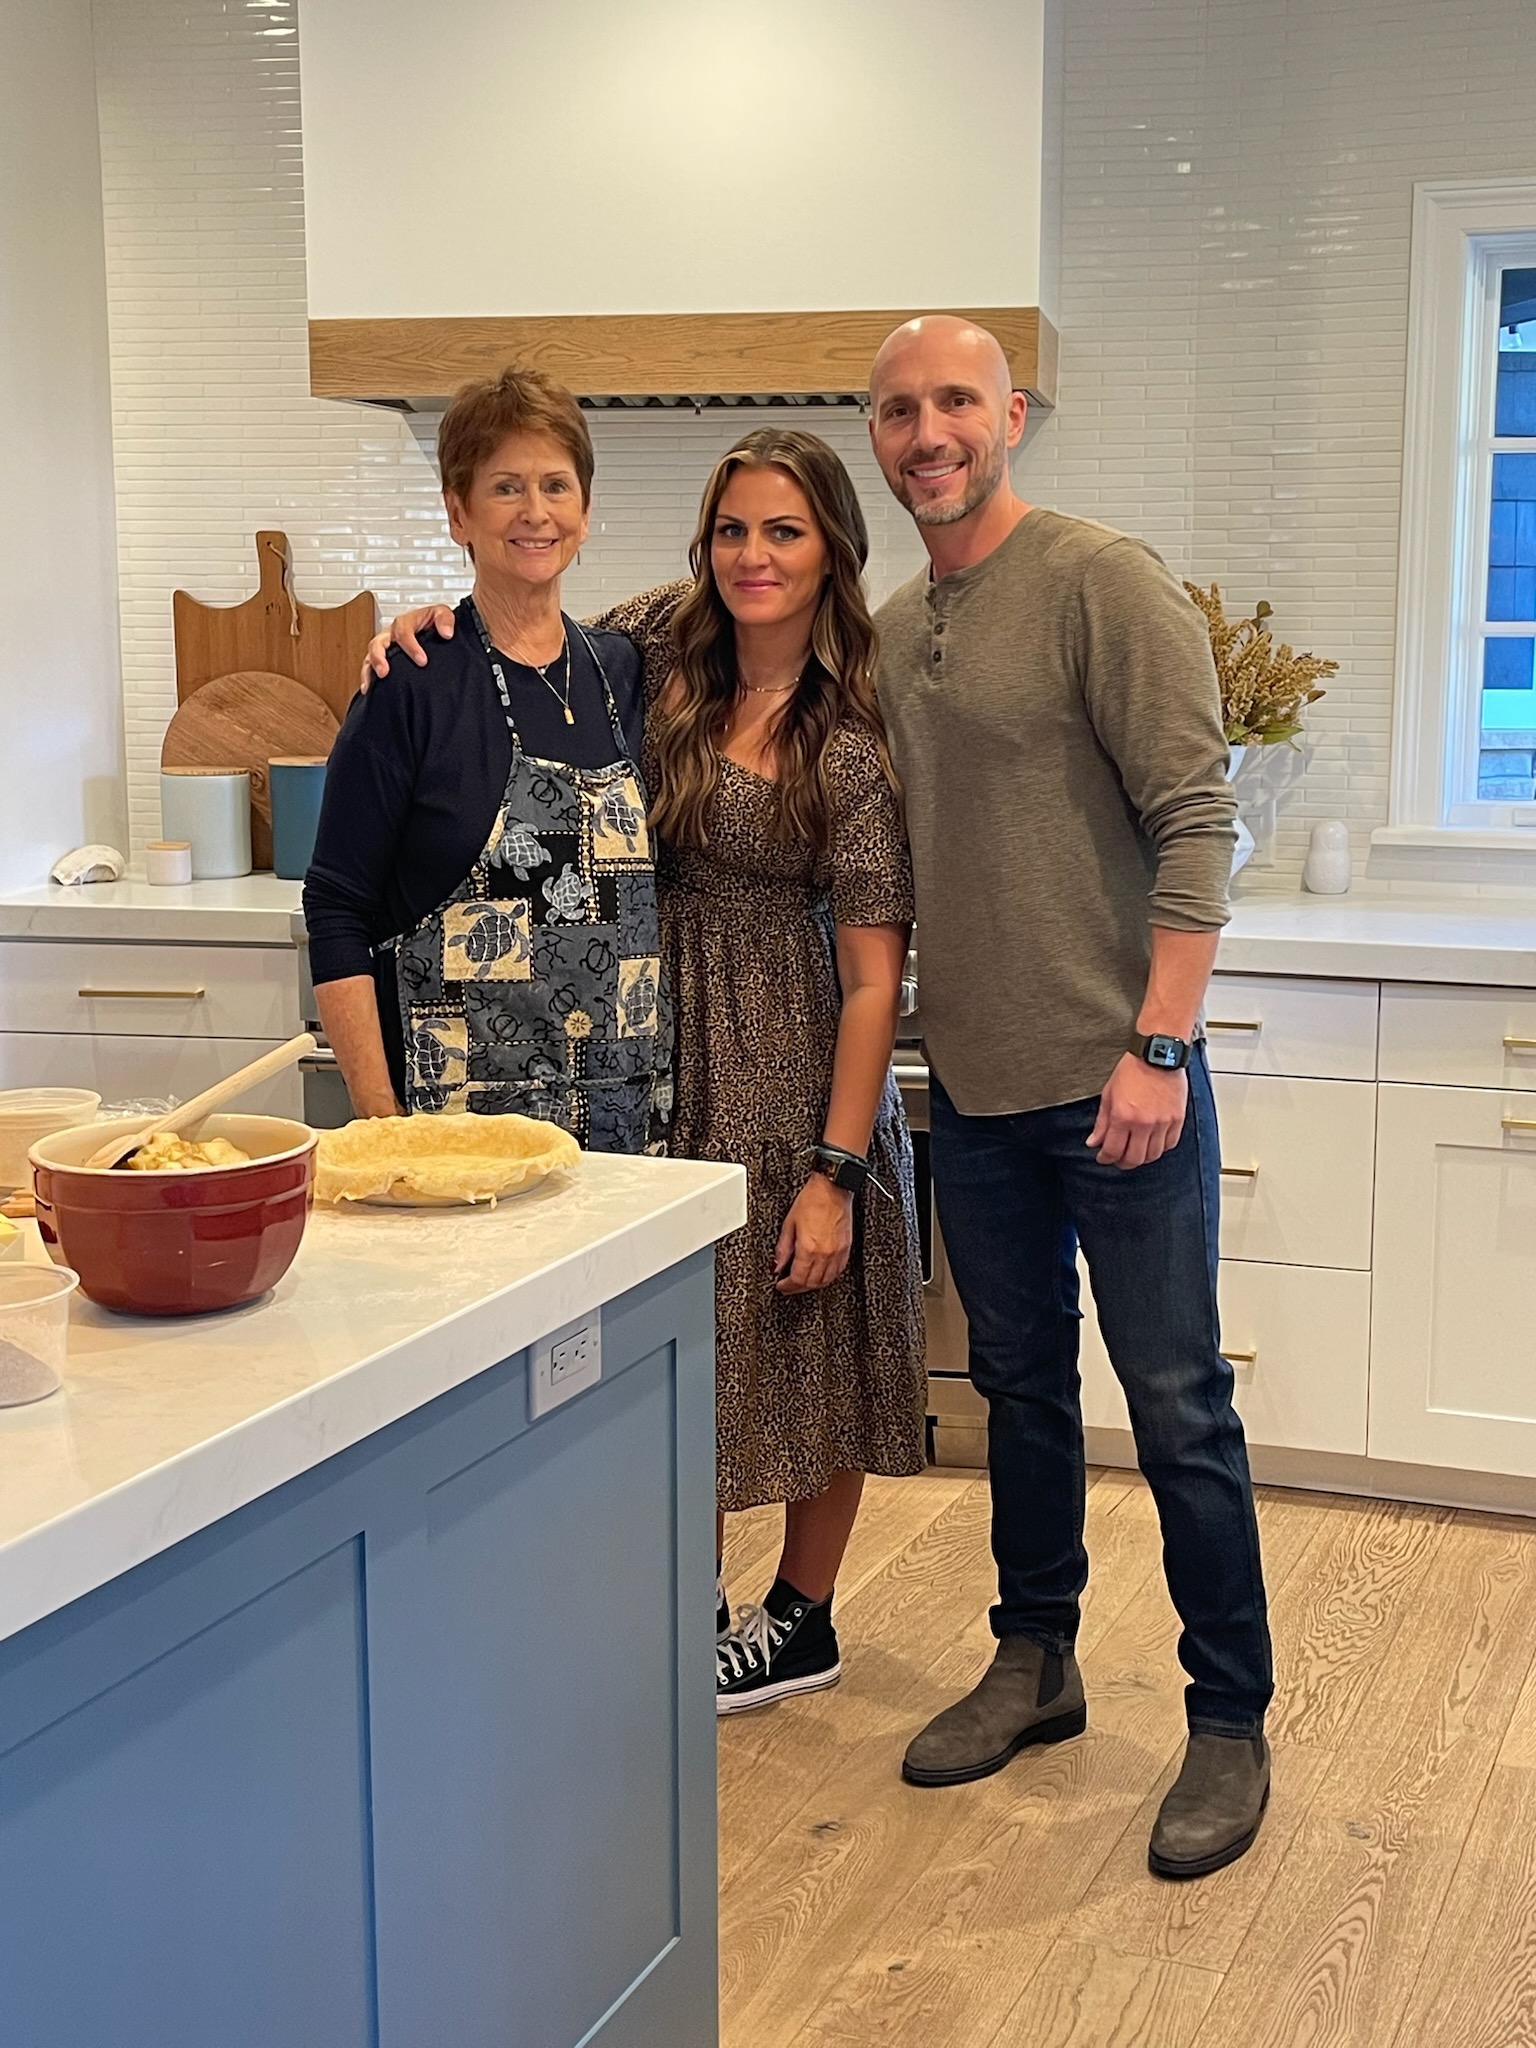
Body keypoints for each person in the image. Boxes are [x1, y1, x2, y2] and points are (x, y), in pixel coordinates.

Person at [367, 426, 926, 1715]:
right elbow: (521, 622)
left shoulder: (852, 734)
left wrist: (836, 1168)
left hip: (793, 1064)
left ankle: (803, 1616)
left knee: (806, 1339)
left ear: (834, 546)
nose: (753, 554)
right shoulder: (661, 646)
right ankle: (684, 1598)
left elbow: (872, 978)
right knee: (686, 1346)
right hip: (652, 1045)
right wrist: (420, 634)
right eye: (733, 528)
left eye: (783, 530)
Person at [864, 316, 1273, 1882]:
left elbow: (1195, 821)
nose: (928, 433)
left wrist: (1160, 1049)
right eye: (899, 411)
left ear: (1010, 413)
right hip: (970, 1084)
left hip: (1121, 1085)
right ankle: (1036, 1661)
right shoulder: (902, 626)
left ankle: (1228, 1723)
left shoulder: (1106, 581)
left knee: (1180, 1409)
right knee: (1020, 1398)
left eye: (955, 401)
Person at [303, 366, 666, 1153]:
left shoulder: (625, 670)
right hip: (454, 1141)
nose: (536, 513)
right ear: (457, 512)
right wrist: (379, 1127)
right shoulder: (414, 681)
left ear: (586, 509)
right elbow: (334, 908)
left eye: (556, 486)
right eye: (506, 487)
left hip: (623, 1136)